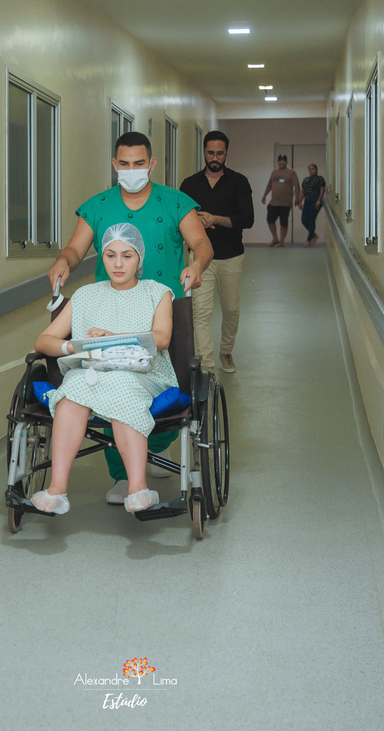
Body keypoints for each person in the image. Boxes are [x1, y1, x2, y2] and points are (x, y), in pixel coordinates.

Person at [47, 130, 213, 505]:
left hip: (161, 307)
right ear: (114, 164)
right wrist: (63, 262)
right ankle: (123, 475)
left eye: (139, 163)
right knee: (109, 381)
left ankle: (155, 441)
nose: (132, 169)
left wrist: (197, 264)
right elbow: (74, 249)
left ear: (151, 164)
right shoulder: (98, 206)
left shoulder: (176, 202)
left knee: (168, 379)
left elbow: (201, 242)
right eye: (124, 163)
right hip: (110, 306)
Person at [30, 224, 177, 515]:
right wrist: (73, 347)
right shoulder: (85, 295)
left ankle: (137, 487)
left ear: (139, 257)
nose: (118, 264)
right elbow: (43, 341)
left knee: (122, 386)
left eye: (127, 256)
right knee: (71, 391)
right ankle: (56, 489)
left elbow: (161, 338)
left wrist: (114, 338)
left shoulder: (157, 292)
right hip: (91, 372)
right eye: (110, 256)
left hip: (141, 374)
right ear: (102, 258)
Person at [179, 130, 253, 374]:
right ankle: (206, 365)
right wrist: (194, 221)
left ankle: (226, 351)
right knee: (201, 312)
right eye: (211, 152)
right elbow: (179, 218)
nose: (215, 157)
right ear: (204, 152)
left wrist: (215, 219)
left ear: (226, 153)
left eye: (220, 153)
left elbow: (248, 219)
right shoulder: (189, 184)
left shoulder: (239, 182)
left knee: (231, 310)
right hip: (200, 261)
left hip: (231, 256)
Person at [260, 154, 299, 247]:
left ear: (286, 162)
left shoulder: (291, 173)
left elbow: (297, 186)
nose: (282, 162)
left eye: (283, 161)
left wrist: (297, 198)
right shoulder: (274, 173)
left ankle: (282, 241)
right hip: (274, 203)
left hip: (285, 203)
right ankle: (275, 238)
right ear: (278, 162)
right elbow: (269, 185)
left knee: (283, 223)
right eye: (280, 161)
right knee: (270, 220)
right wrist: (264, 196)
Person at [298, 163, 326, 247]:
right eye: (309, 169)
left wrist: (318, 201)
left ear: (316, 170)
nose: (311, 170)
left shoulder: (320, 179)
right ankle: (313, 235)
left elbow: (322, 190)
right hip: (307, 200)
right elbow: (302, 192)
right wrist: (300, 202)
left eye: (313, 169)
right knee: (304, 219)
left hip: (315, 199)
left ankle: (309, 239)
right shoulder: (306, 180)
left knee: (311, 219)